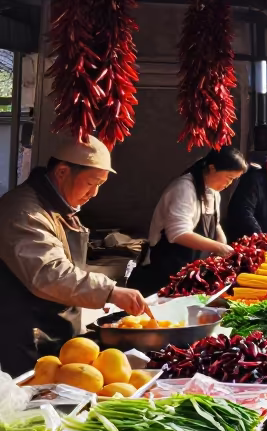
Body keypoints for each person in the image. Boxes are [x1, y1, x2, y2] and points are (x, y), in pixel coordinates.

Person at [0, 135, 148, 375]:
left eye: (100, 184)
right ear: (62, 172)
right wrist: (109, 291)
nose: (95, 193)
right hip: (24, 335)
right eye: (91, 182)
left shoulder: (60, 207)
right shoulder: (24, 213)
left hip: (50, 328)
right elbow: (48, 274)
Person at [127, 147, 247, 295]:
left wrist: (223, 246)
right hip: (165, 272)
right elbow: (178, 233)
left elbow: (215, 225)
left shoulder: (214, 193)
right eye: (229, 178)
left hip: (190, 274)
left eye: (234, 180)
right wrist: (219, 248)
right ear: (212, 168)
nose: (230, 184)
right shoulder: (184, 188)